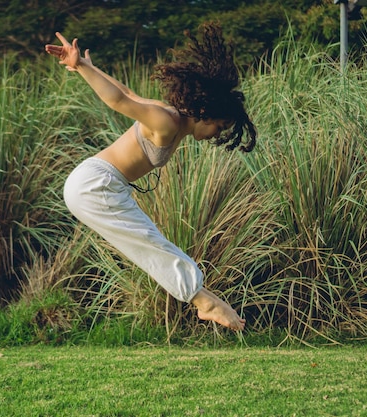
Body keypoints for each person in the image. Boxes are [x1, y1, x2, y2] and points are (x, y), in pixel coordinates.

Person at [45, 22, 256, 331]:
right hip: (95, 185)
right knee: (149, 242)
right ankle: (205, 301)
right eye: (219, 127)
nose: (217, 135)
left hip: (96, 184)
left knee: (147, 241)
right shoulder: (167, 122)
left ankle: (203, 299)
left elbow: (127, 92)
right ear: (205, 114)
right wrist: (81, 67)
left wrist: (88, 67)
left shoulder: (167, 114)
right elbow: (119, 102)